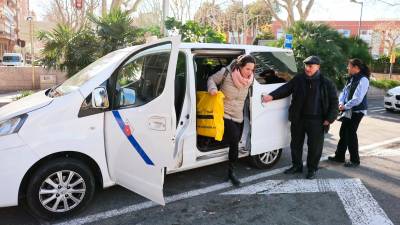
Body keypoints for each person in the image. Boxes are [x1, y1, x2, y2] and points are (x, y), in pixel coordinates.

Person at [262, 56, 338, 179]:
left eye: (310, 66)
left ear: (318, 67)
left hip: (317, 120)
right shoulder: (299, 79)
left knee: (315, 146)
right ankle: (297, 166)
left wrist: (329, 118)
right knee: (296, 144)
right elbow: (286, 89)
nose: (307, 68)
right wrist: (272, 96)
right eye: (306, 66)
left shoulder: (326, 82)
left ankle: (312, 168)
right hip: (299, 118)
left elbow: (334, 102)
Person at [208, 54, 255, 186]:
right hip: (224, 112)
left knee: (235, 142)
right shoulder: (226, 73)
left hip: (238, 115)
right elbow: (211, 79)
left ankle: (230, 169)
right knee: (234, 138)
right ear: (240, 67)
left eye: (252, 70)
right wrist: (212, 89)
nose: (250, 72)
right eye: (247, 69)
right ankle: (232, 173)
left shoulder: (250, 79)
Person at [328, 58, 370, 167]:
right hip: (348, 110)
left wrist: (345, 106)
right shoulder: (351, 78)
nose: (348, 68)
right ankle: (339, 156)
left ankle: (355, 160)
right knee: (343, 133)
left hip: (357, 111)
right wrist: (341, 102)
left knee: (351, 134)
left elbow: (358, 98)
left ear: (356, 68)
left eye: (349, 66)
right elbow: (344, 92)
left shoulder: (363, 79)